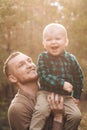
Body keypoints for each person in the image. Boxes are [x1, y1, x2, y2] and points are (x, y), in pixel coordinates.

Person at [30, 23, 84, 130]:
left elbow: (79, 77)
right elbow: (42, 75)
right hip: (45, 93)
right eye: (49, 39)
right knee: (41, 111)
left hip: (66, 97)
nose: (53, 42)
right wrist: (61, 83)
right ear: (44, 44)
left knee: (76, 116)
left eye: (57, 39)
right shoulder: (43, 57)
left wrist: (76, 95)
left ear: (66, 42)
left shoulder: (71, 59)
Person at [3, 51, 64, 130]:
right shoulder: (18, 108)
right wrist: (58, 117)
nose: (29, 65)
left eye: (29, 61)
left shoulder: (51, 91)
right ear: (13, 78)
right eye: (21, 65)